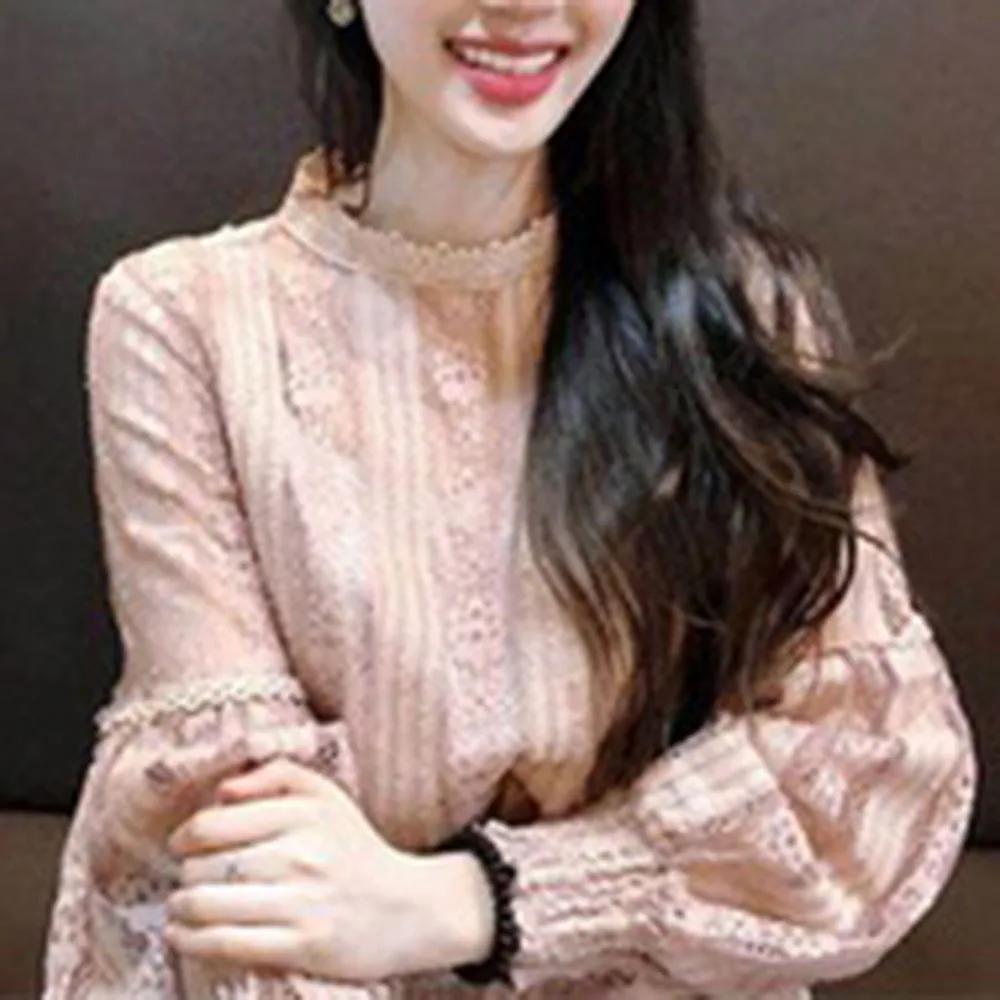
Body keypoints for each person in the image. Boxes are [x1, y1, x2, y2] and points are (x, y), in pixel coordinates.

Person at [43, 0, 978, 997]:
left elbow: (869, 765)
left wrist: (468, 901)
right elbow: (250, 878)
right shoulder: (185, 322)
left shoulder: (740, 320)